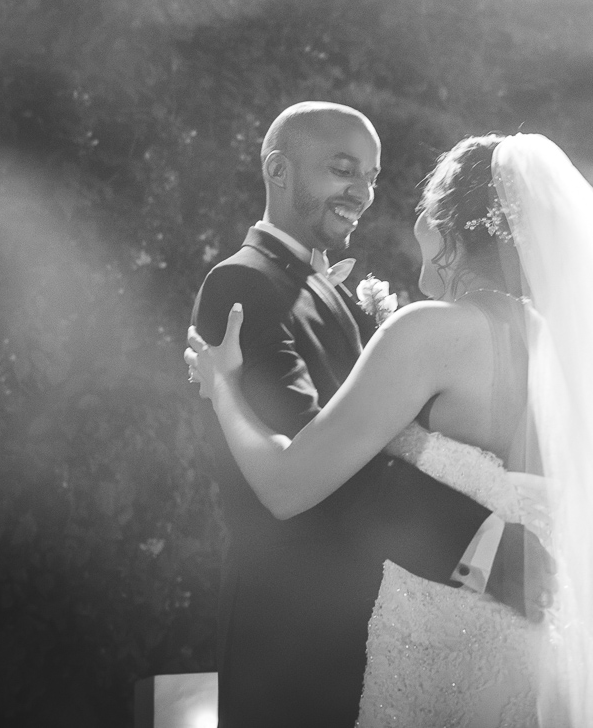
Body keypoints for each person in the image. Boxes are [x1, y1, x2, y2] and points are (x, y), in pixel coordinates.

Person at [189, 132, 593, 728]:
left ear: (448, 226)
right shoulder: (565, 347)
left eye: (422, 208)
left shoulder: (428, 333)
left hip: (437, 642)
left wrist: (225, 391)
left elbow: (286, 486)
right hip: (539, 646)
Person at [189, 103, 538, 728]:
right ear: (278, 170)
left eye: (373, 177)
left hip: (400, 619)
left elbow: (336, 457)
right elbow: (310, 471)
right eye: (344, 170)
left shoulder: (395, 317)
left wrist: (226, 393)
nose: (365, 193)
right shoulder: (244, 284)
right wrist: (491, 545)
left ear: (453, 229)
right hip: (296, 631)